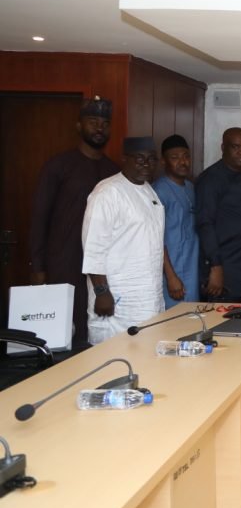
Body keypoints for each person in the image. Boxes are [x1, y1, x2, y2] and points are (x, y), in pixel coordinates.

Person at [29, 96, 119, 348]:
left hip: (101, 268)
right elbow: (39, 217)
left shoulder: (114, 171)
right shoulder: (58, 166)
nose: (99, 128)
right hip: (64, 263)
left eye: (104, 123)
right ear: (79, 126)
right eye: (93, 122)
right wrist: (38, 267)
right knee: (61, 334)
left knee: (94, 330)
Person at [81, 137, 164, 344]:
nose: (147, 164)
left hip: (148, 295)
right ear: (124, 158)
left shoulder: (148, 190)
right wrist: (102, 292)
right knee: (114, 358)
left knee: (147, 354)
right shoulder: (108, 192)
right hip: (117, 298)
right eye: (140, 159)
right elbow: (93, 247)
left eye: (152, 159)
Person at [195, 127, 241, 303]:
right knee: (221, 326)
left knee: (240, 326)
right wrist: (216, 267)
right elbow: (205, 224)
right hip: (224, 270)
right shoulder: (210, 179)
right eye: (236, 147)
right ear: (223, 147)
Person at [152, 135, 199, 310]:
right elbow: (156, 239)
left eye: (186, 156)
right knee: (172, 325)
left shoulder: (190, 187)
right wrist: (171, 277)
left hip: (190, 270)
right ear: (163, 161)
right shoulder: (158, 191)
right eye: (175, 157)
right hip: (171, 274)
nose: (183, 162)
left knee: (191, 321)